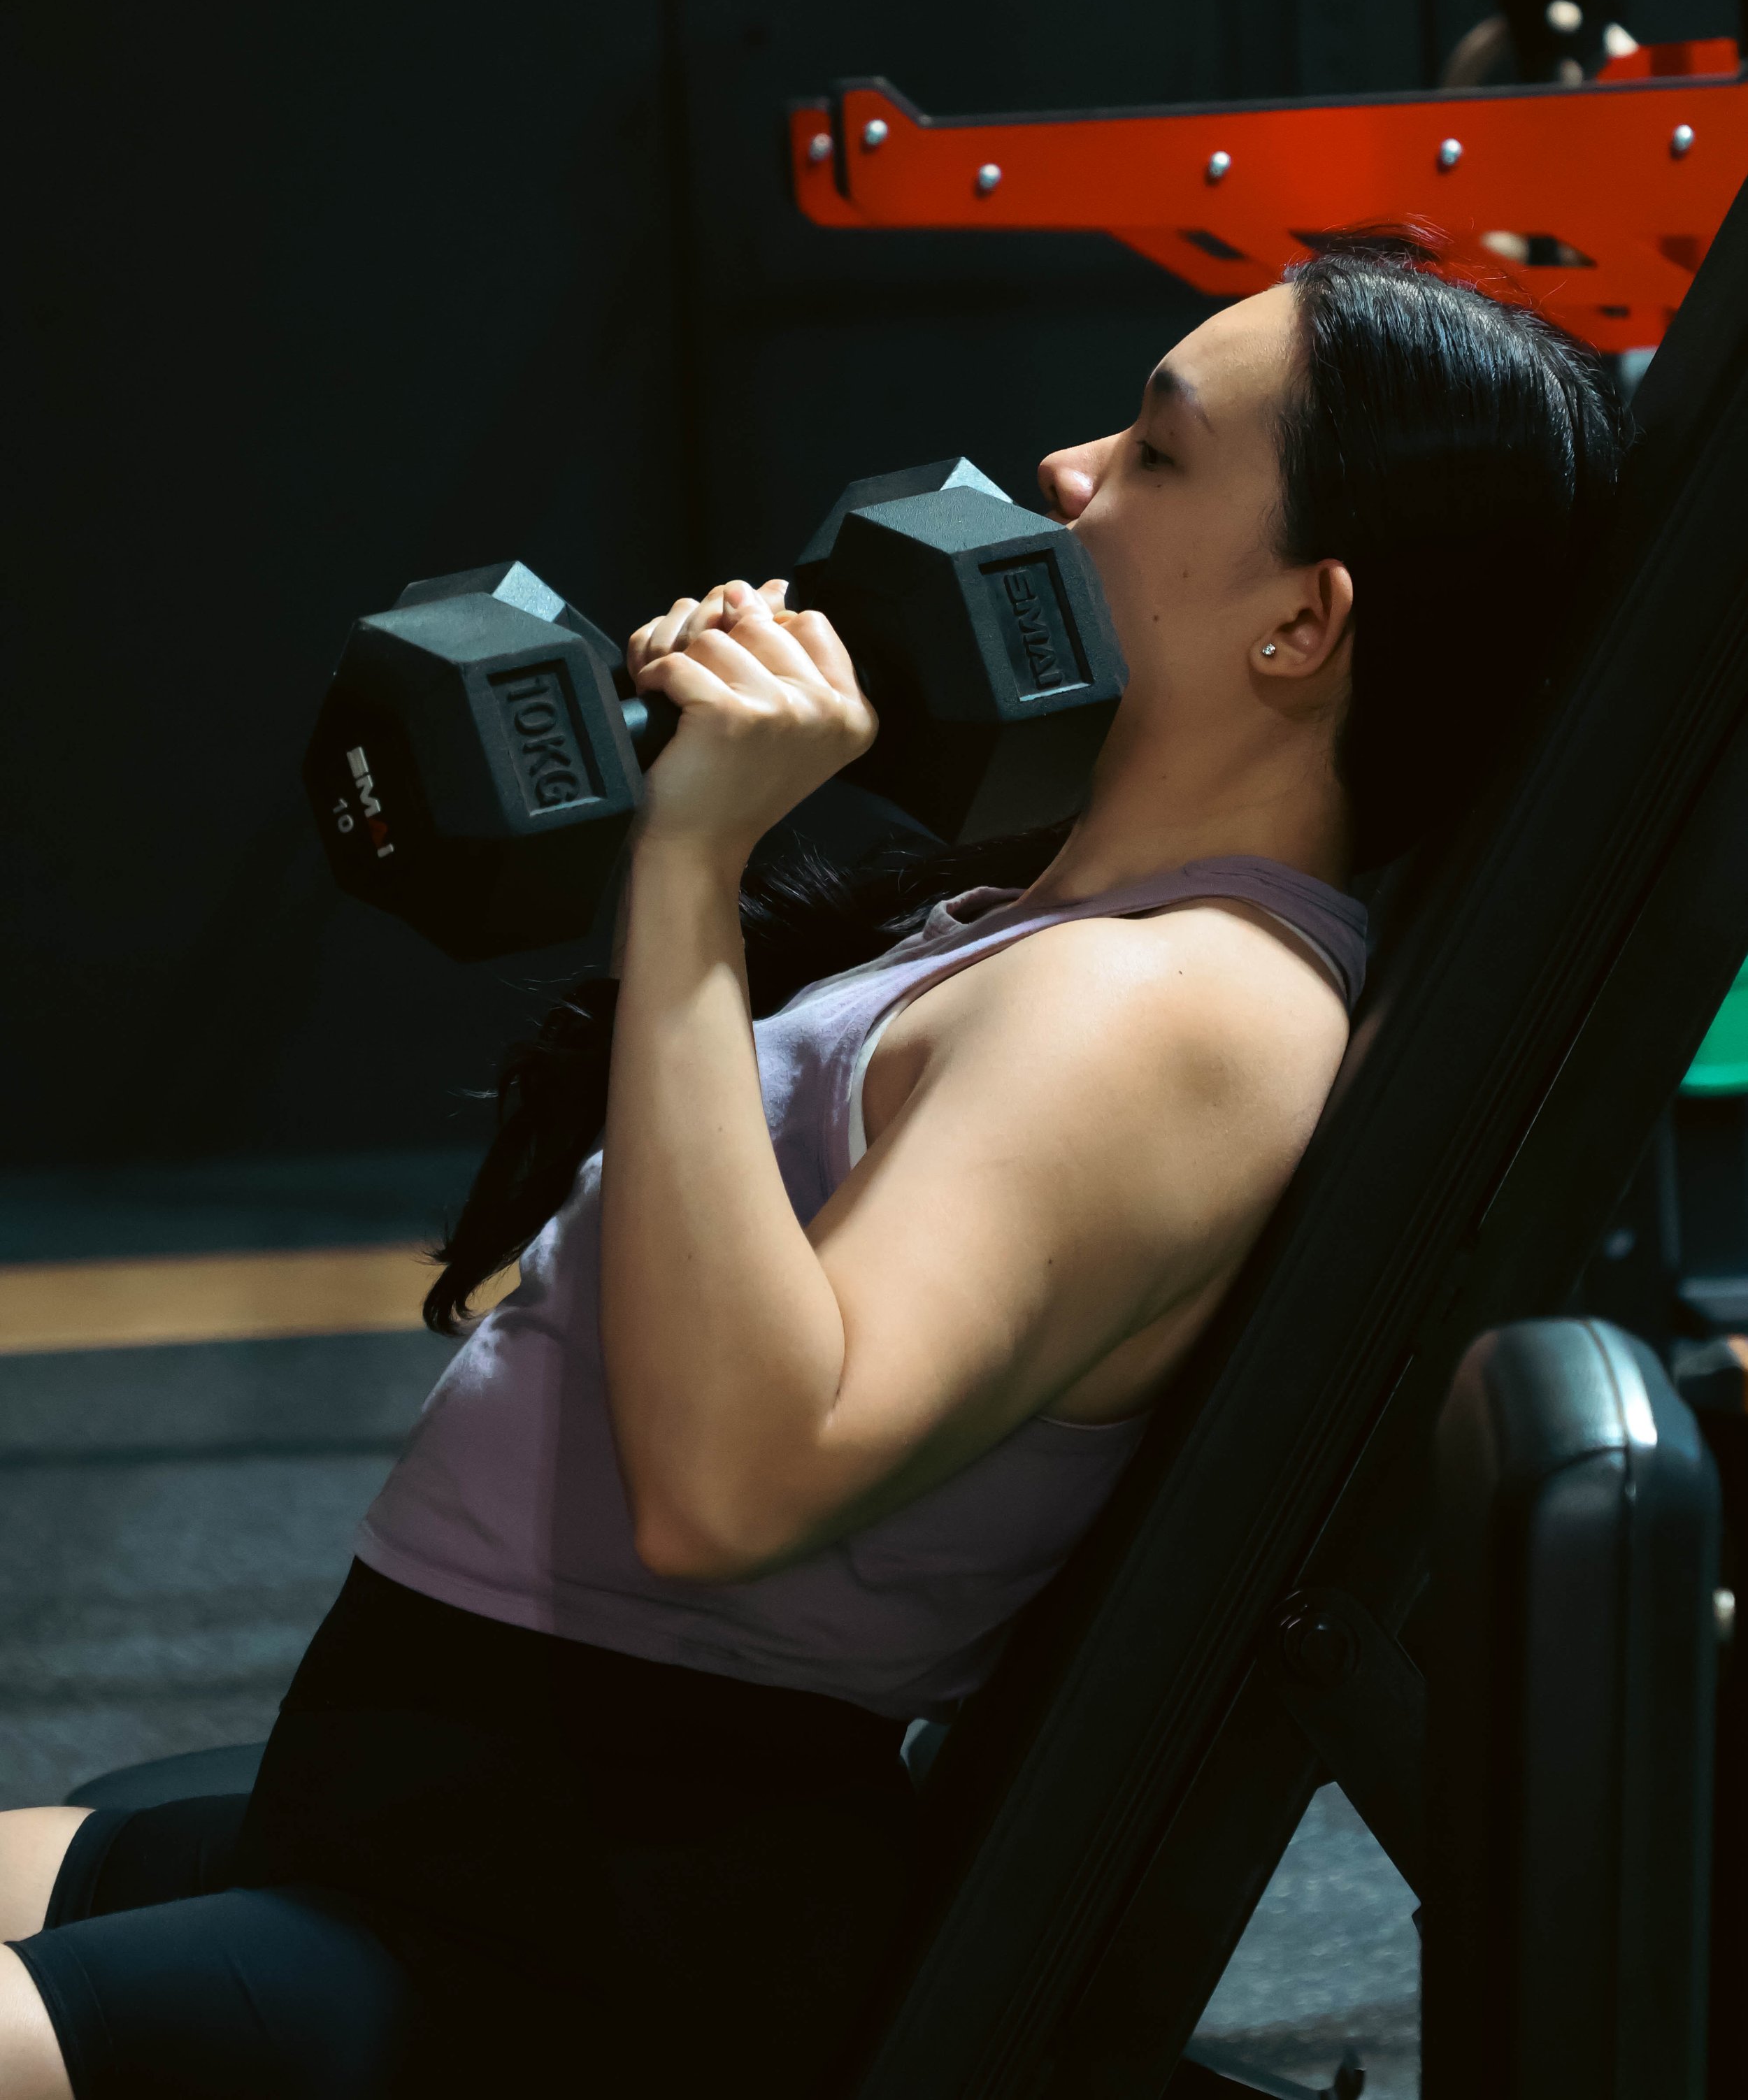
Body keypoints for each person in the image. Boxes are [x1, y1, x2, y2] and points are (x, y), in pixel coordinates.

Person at [0, 241, 1626, 2099]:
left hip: (582, 1932)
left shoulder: (1170, 1008)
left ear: (1302, 624)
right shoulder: (1065, 930)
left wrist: (691, 867)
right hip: (440, 1797)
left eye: (1158, 452)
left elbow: (740, 1485)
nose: (1064, 470)